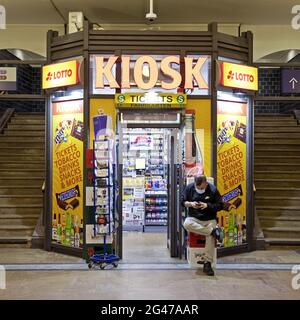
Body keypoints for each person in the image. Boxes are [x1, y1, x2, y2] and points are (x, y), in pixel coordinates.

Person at [182, 174, 223, 276]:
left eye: (201, 187)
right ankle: (213, 232)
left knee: (210, 236)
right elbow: (182, 202)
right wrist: (191, 204)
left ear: (205, 183)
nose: (199, 189)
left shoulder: (213, 190)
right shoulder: (190, 188)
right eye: (197, 187)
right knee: (186, 224)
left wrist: (207, 205)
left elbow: (220, 206)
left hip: (209, 218)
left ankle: (207, 263)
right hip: (194, 218)